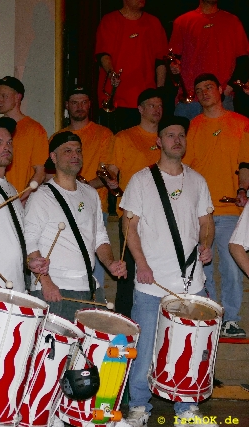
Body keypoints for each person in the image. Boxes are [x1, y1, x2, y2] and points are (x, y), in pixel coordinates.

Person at [117, 116, 216, 427]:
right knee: (145, 346)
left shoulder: (197, 181)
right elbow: (129, 226)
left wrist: (206, 245)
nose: (177, 140)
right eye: (170, 135)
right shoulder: (141, 180)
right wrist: (141, 264)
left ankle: (187, 408)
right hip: (152, 282)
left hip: (190, 282)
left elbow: (206, 223)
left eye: (181, 135)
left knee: (188, 347)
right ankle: (138, 406)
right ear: (158, 141)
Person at [24, 131, 126, 322]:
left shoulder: (91, 194)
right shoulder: (41, 196)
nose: (75, 155)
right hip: (55, 290)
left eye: (78, 151)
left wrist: (111, 263)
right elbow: (29, 242)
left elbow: (100, 237)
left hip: (89, 288)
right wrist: (46, 283)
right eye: (68, 151)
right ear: (53, 157)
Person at [183, 73, 249, 338]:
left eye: (209, 87)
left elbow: (245, 162)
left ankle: (231, 319)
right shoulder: (194, 126)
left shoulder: (241, 123)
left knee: (232, 268)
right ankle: (209, 317)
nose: (204, 93)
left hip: (231, 209)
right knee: (203, 267)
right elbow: (187, 167)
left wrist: (243, 189)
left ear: (221, 89)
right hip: (200, 211)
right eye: (198, 90)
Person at [48, 87, 115, 292]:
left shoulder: (104, 134)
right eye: (75, 102)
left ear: (90, 105)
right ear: (67, 106)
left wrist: (79, 188)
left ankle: (93, 303)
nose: (79, 106)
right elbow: (49, 174)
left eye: (84, 102)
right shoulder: (57, 137)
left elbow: (109, 173)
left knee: (96, 266)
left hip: (95, 209)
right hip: (61, 209)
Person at [106, 88, 163, 318]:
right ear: (140, 109)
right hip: (133, 217)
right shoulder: (124, 137)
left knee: (160, 269)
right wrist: (111, 181)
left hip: (163, 217)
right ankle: (124, 319)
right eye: (151, 105)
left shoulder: (167, 138)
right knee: (128, 270)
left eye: (160, 106)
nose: (157, 110)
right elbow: (112, 171)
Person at [0, 117, 48, 292]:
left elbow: (13, 240)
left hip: (16, 287)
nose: (6, 147)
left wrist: (29, 262)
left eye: (9, 142)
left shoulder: (12, 189)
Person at [95, 0, 168, 133]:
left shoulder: (154, 22)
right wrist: (112, 73)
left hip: (146, 100)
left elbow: (160, 61)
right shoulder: (110, 20)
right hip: (116, 98)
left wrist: (160, 92)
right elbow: (103, 54)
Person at [169, 0, 249, 120]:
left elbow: (243, 59)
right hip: (190, 100)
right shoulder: (182, 21)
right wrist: (174, 67)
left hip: (222, 98)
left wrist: (229, 87)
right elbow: (173, 58)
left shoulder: (233, 21)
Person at [0, 76, 48, 201]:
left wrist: (21, 200)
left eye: (4, 96)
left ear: (17, 97)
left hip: (22, 201)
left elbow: (40, 173)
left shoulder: (35, 129)